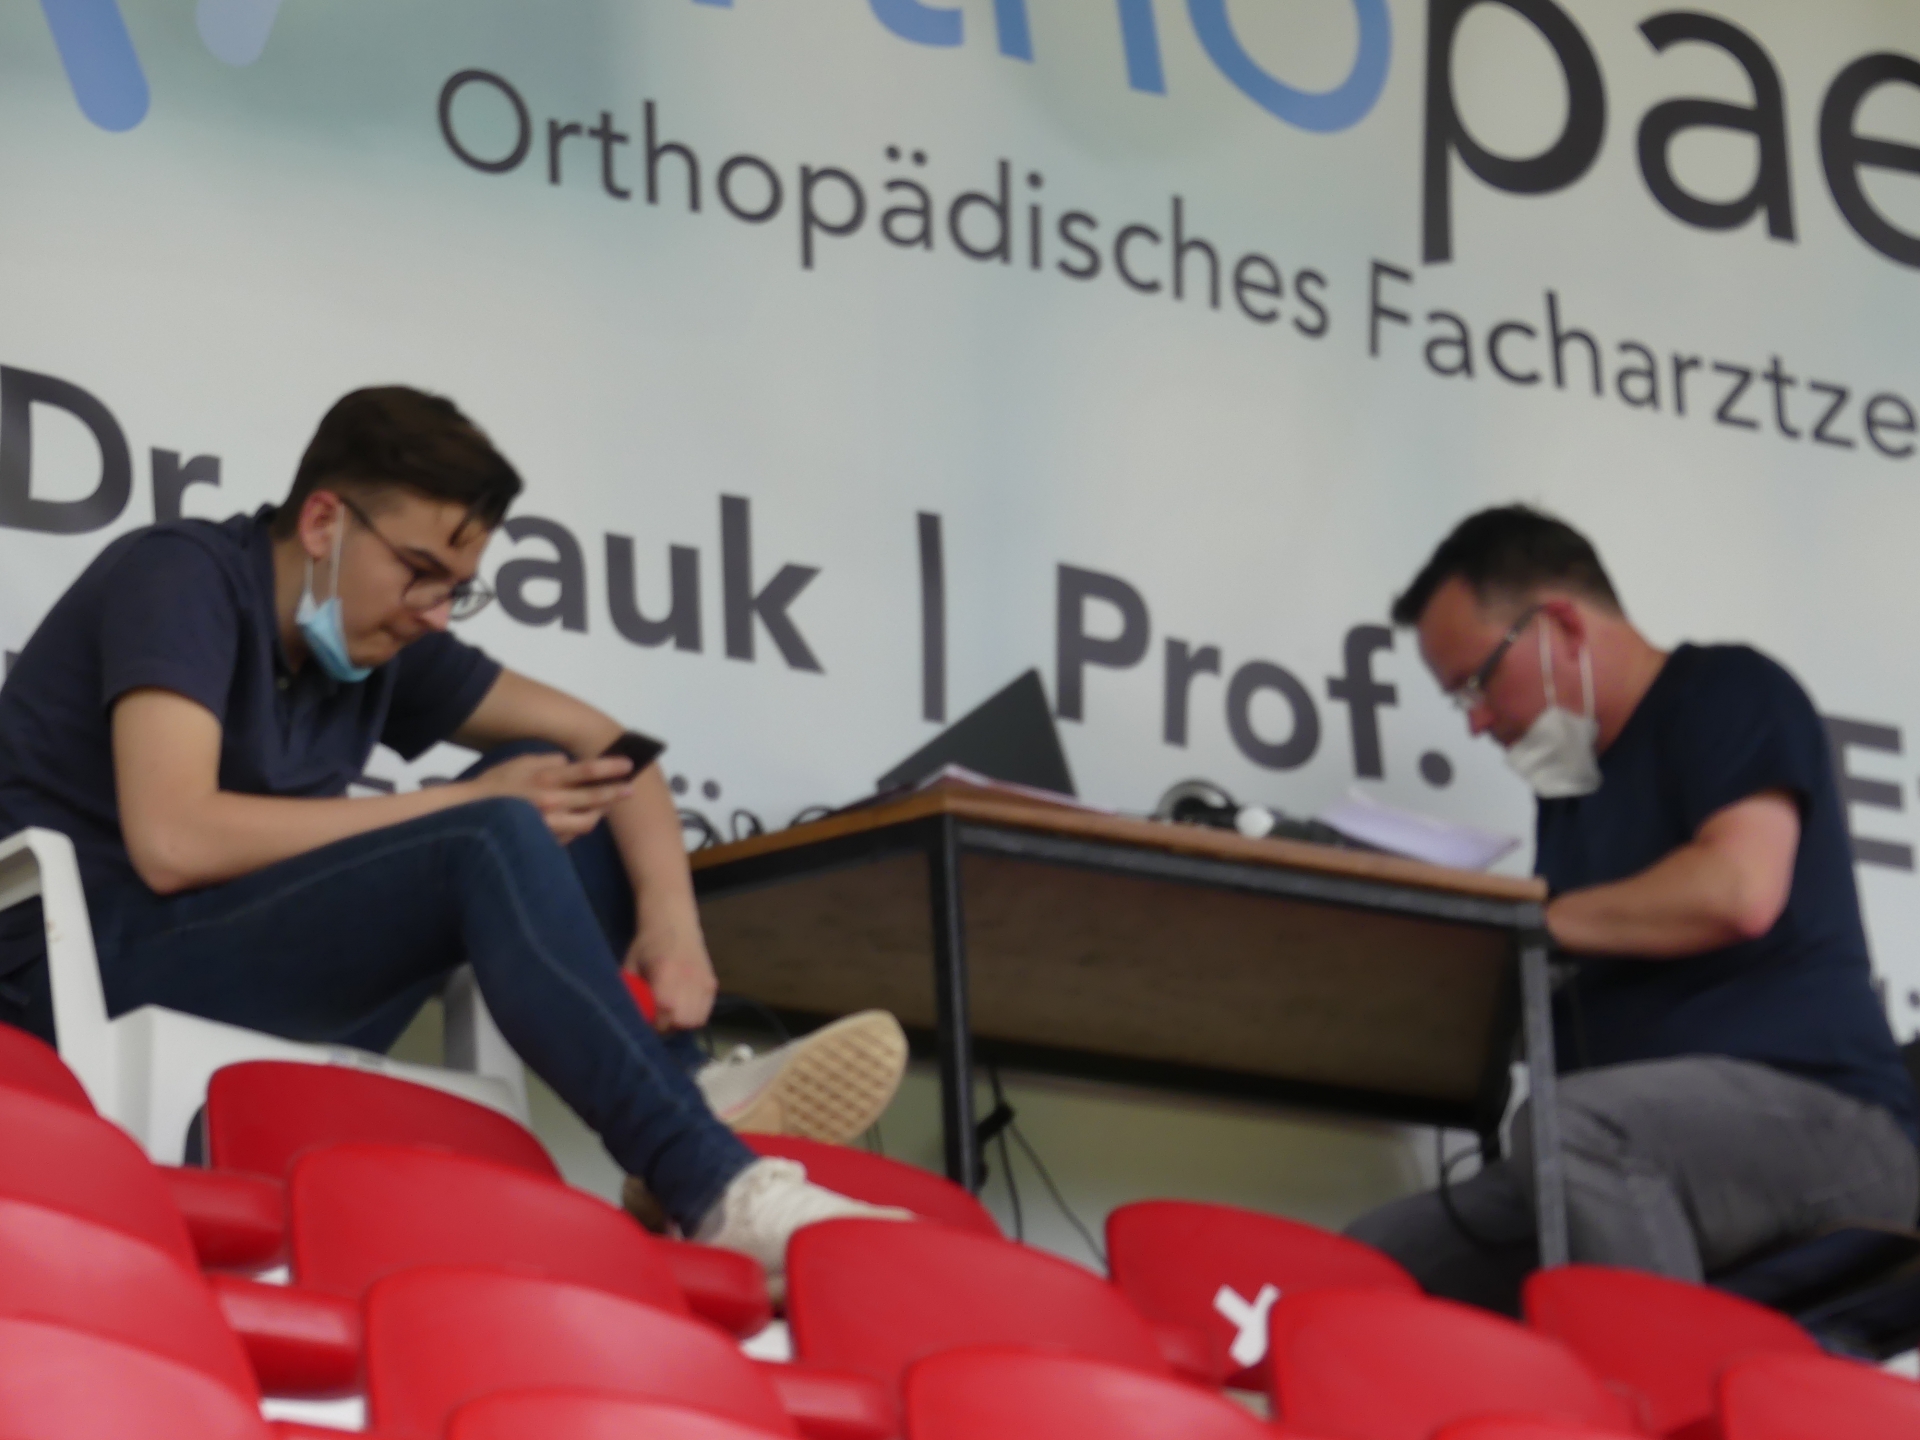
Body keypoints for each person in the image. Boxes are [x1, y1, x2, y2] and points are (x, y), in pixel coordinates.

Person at [0, 386, 909, 1274]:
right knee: (490, 829)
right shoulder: (181, 576)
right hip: (84, 970)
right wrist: (458, 807)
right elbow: (174, 842)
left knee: (555, 784)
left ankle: (686, 1091)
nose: (433, 612)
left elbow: (608, 749)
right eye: (419, 571)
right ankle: (713, 1187)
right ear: (323, 523)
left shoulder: (378, 644)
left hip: (233, 959)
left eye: (457, 590)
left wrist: (674, 925)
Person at [1347, 505, 1919, 1313]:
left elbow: (1740, 890)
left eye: (1478, 681)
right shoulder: (1569, 799)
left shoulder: (1728, 689)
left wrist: (1533, 923)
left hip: (1827, 1123)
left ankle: (1647, 1382)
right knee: (1378, 1257)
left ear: (1562, 627)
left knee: (1568, 1130)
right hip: (1623, 1148)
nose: (1475, 719)